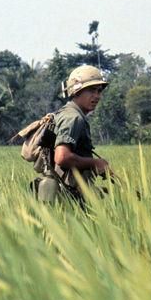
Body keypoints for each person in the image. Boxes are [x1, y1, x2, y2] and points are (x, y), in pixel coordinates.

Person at [38, 65, 112, 204]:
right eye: (91, 90)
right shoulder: (74, 118)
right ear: (76, 90)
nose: (97, 96)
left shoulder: (65, 114)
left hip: (68, 193)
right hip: (68, 200)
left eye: (99, 91)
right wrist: (94, 163)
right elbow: (62, 157)